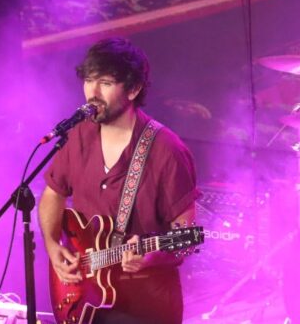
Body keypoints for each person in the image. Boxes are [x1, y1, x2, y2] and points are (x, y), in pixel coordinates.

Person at [39, 37, 199, 324]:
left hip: (144, 306)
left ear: (134, 89)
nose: (93, 92)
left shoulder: (166, 150)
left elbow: (185, 236)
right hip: (83, 298)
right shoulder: (78, 136)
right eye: (89, 80)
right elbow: (53, 192)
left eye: (106, 83)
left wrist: (151, 257)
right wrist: (53, 246)